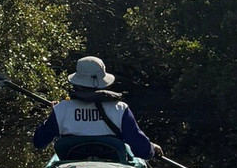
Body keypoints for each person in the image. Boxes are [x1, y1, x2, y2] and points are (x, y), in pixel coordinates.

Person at [32, 55, 163, 161]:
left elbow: (39, 142)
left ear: (77, 82)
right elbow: (142, 151)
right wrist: (152, 148)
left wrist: (55, 112)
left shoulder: (62, 109)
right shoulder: (120, 109)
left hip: (71, 167)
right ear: (103, 83)